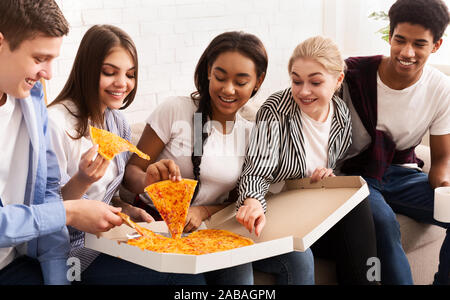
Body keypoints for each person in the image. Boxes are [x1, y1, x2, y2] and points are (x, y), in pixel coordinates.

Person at [48, 24, 205, 285]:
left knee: (188, 262)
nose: (123, 84)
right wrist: (82, 180)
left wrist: (127, 209)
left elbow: (108, 197)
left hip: (107, 241)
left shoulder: (117, 122)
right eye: (110, 72)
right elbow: (47, 211)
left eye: (130, 74)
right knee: (182, 278)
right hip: (70, 255)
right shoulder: (56, 124)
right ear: (87, 70)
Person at [124, 31, 270, 285]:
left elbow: (239, 199)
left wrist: (202, 211)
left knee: (240, 270)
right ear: (208, 72)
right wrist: (151, 182)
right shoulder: (176, 110)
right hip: (156, 225)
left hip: (212, 229)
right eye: (220, 77)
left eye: (241, 81)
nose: (228, 89)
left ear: (258, 81)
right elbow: (130, 173)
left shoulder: (250, 134)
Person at [0, 0, 126, 285]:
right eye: (39, 58)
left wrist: (59, 280)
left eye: (52, 59)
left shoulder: (32, 105)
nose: (49, 73)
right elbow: (57, 210)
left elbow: (47, 195)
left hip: (15, 264)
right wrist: (68, 212)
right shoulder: (58, 118)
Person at [236, 36, 378, 285]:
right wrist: (252, 202)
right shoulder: (276, 110)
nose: (303, 91)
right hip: (275, 214)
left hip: (313, 213)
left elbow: (332, 165)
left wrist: (324, 178)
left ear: (338, 81)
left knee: (363, 216)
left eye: (315, 82)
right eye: (296, 80)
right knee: (360, 231)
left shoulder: (341, 115)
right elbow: (256, 171)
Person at [339, 0, 450, 285]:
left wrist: (445, 188)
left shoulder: (440, 88)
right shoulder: (351, 75)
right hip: (355, 176)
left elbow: (441, 160)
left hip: (401, 174)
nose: (406, 52)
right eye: (399, 40)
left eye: (419, 44)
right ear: (390, 35)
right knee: (384, 225)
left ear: (435, 46)